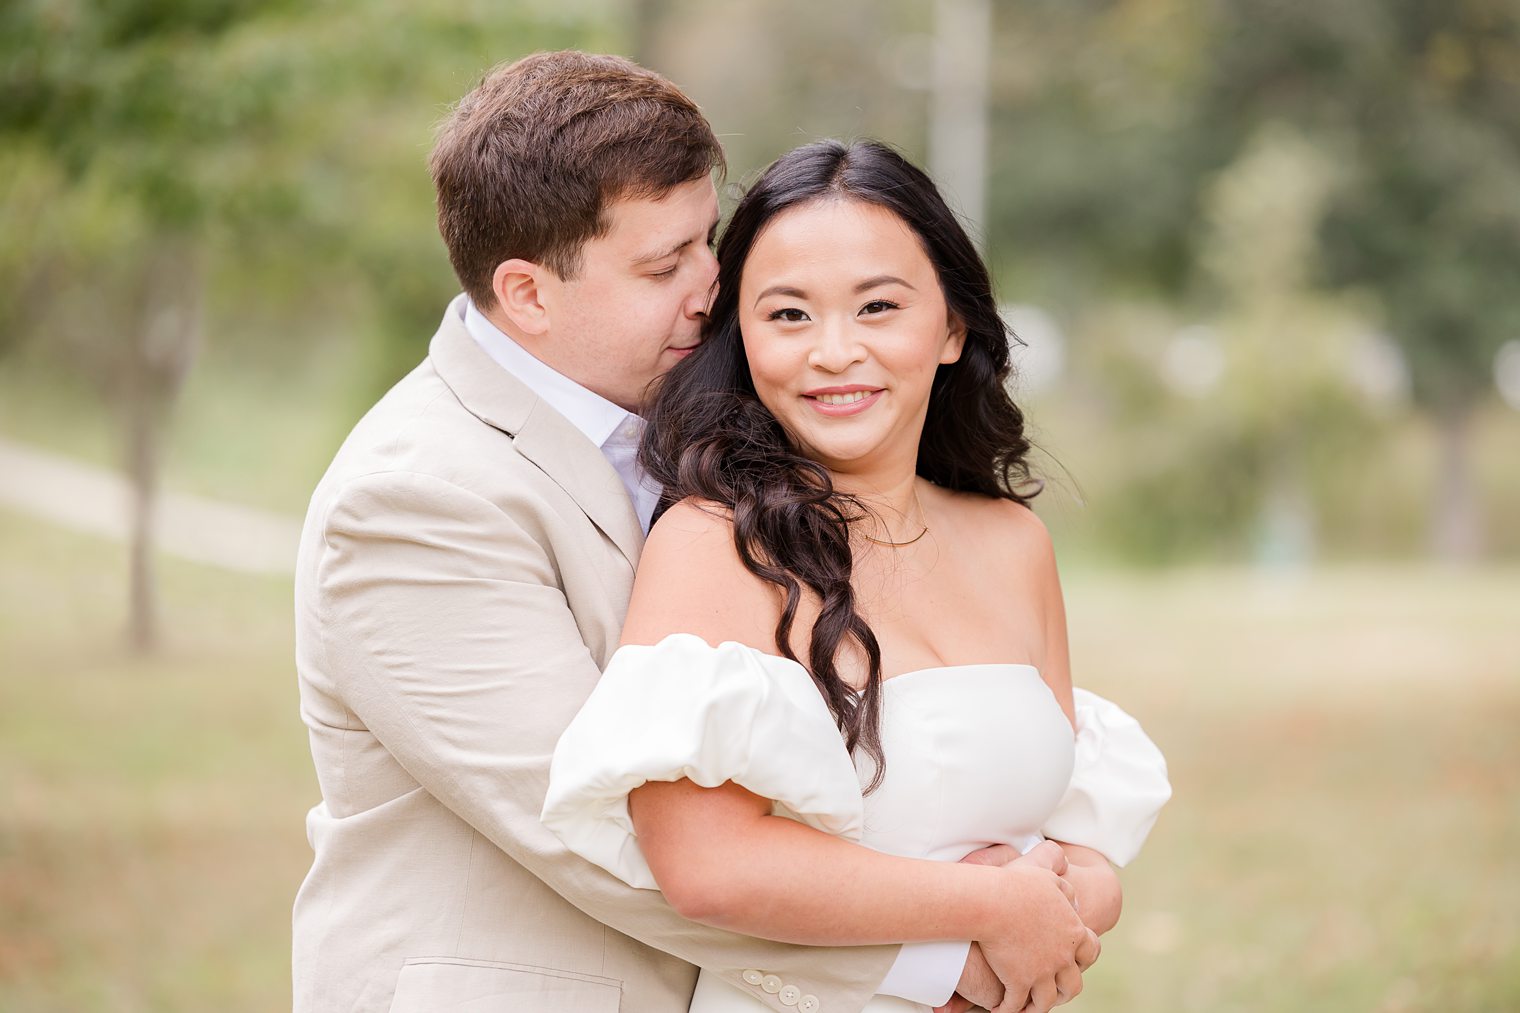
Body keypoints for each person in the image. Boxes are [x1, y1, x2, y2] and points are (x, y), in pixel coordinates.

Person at [291, 51, 1145, 1013]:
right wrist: (965, 948)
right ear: (529, 293)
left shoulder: (687, 434)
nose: (715, 287)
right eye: (666, 264)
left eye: (708, 241)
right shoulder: (418, 499)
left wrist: (1067, 889)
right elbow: (610, 839)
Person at [541, 139, 1171, 1013]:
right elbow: (704, 864)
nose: (834, 352)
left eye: (878, 307)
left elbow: (1080, 838)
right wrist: (991, 902)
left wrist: (1061, 901)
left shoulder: (1014, 542)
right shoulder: (711, 543)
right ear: (744, 340)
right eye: (789, 315)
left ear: (951, 327)